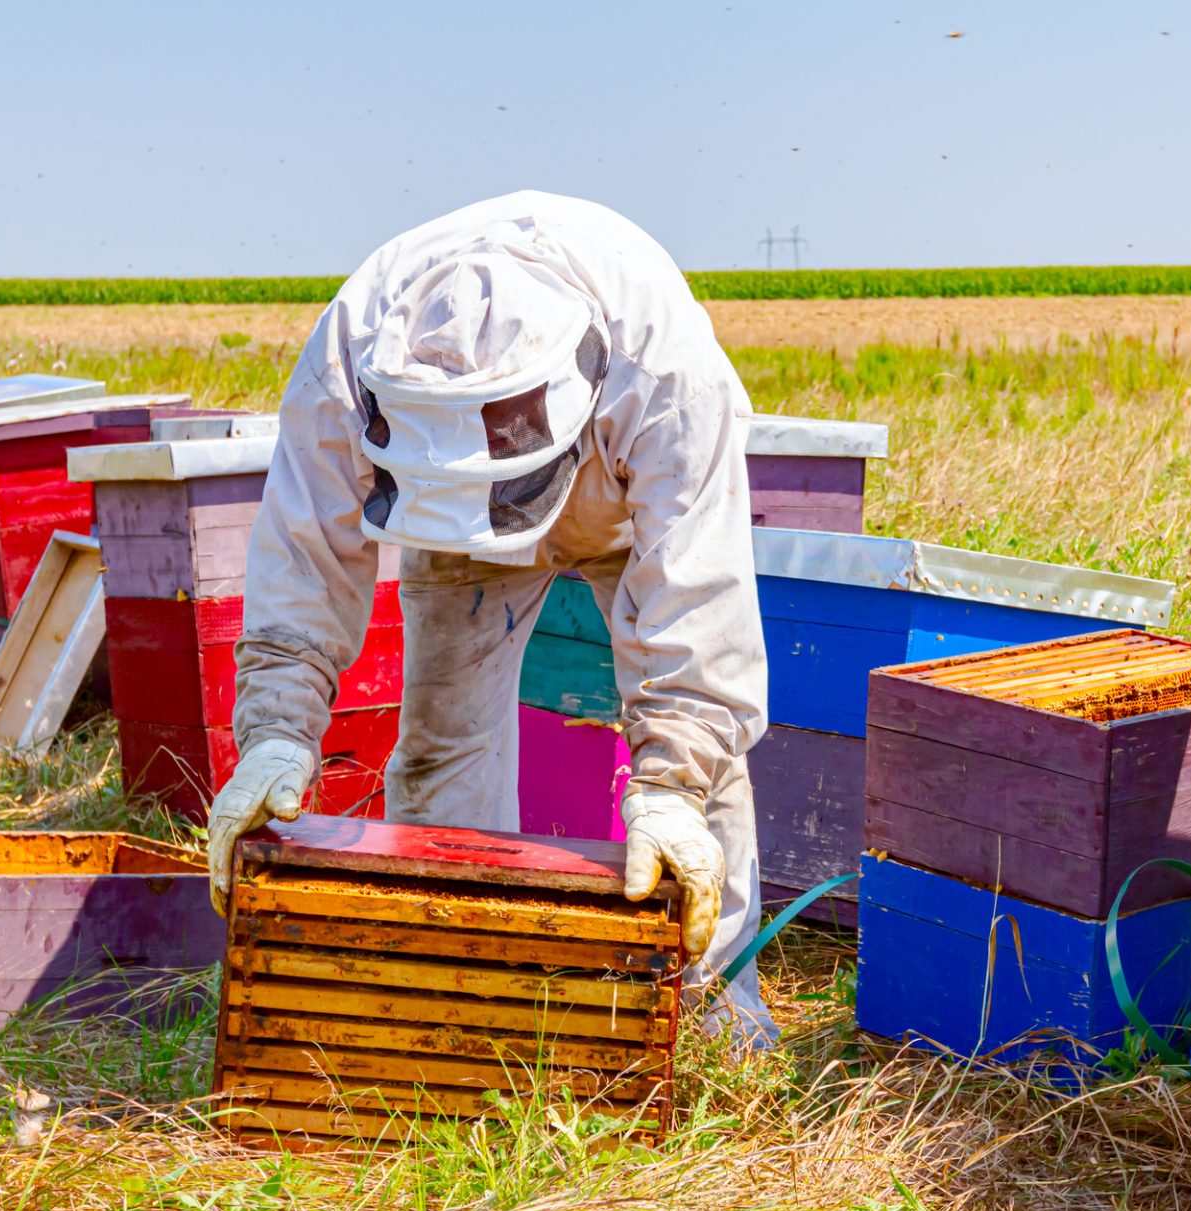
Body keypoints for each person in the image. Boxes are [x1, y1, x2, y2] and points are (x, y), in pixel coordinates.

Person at [205, 191, 776, 1046]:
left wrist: (672, 782)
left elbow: (700, 601)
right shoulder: (346, 352)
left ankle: (721, 1027)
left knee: (699, 785)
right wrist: (278, 731)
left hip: (626, 508)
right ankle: (455, 1004)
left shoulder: (666, 375)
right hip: (447, 529)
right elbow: (304, 550)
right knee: (440, 751)